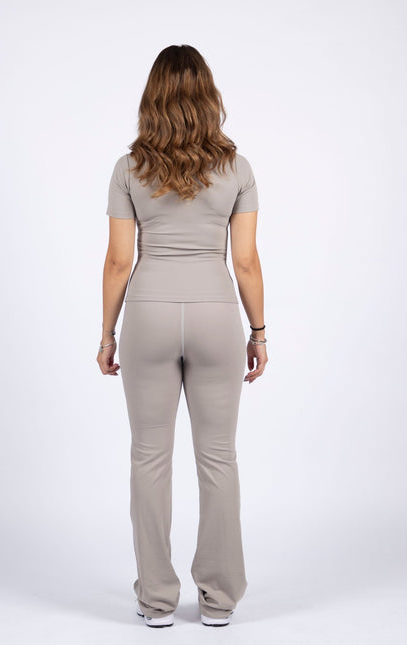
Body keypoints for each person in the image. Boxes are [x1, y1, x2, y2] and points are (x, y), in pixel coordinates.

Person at [97, 44, 267, 629]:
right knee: (218, 456)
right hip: (217, 314)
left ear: (153, 98)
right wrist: (260, 332)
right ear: (209, 96)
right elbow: (245, 262)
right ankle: (218, 602)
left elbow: (119, 261)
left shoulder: (129, 168)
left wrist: (107, 335)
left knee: (149, 456)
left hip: (147, 313)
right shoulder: (237, 168)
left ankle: (156, 601)